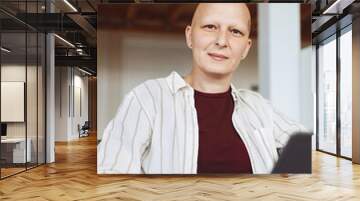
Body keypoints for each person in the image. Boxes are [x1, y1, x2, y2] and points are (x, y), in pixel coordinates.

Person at [97, 3, 307, 174]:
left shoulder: (258, 105)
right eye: (210, 27)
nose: (222, 41)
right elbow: (112, 173)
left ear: (246, 48)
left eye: (235, 31)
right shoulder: (147, 98)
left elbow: (305, 146)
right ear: (190, 36)